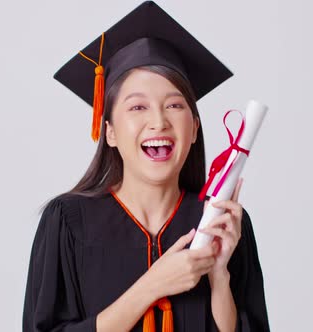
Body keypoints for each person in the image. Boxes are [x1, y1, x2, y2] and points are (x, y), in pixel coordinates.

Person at [23, 2, 269, 331]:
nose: (158, 121)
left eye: (174, 105)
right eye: (138, 106)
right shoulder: (69, 223)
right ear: (109, 131)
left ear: (195, 128)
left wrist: (220, 276)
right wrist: (152, 286)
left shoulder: (220, 223)